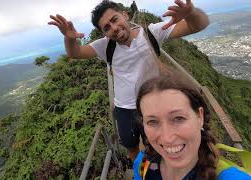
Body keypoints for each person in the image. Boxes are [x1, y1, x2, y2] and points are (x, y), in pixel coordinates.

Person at [48, 0, 209, 161]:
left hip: (153, 105)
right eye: (107, 28)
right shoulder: (105, 46)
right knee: (131, 146)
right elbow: (75, 53)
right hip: (124, 108)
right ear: (104, 33)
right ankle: (138, 170)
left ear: (125, 15)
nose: (114, 28)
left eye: (114, 19)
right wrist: (69, 39)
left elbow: (198, 25)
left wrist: (191, 13)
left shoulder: (151, 33)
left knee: (157, 145)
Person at [134, 74, 251, 179]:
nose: (167, 138)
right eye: (153, 122)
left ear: (200, 116)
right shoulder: (143, 163)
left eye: (178, 118)